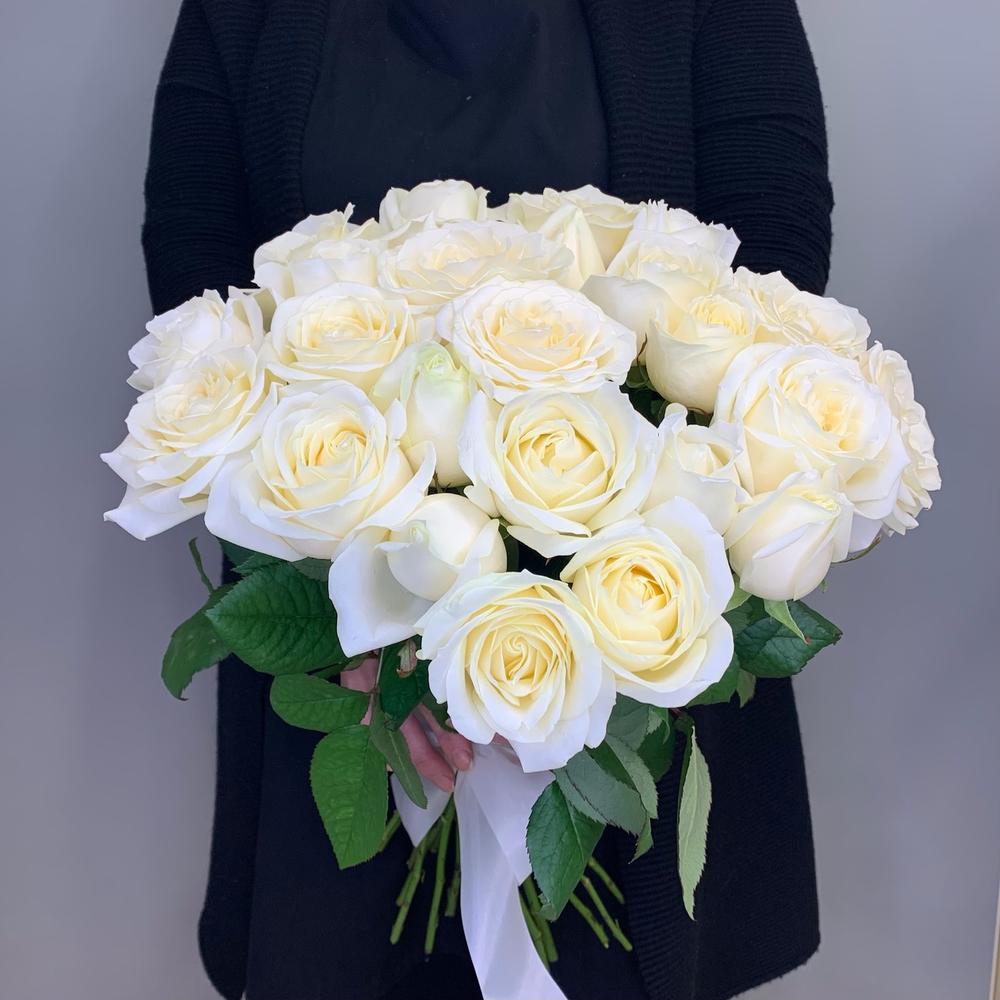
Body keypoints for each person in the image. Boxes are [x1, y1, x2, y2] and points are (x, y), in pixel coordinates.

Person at [142, 1, 833, 997]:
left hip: (636, 642)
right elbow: (197, 279)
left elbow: (773, 275)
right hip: (347, 667)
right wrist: (373, 619)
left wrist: (577, 619)